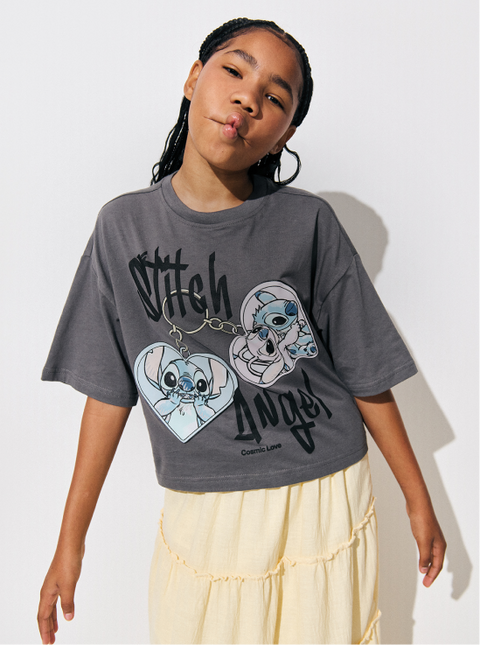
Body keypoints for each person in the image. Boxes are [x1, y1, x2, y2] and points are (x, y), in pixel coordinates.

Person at [37, 17, 446, 645]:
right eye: (233, 70)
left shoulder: (308, 222)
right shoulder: (123, 228)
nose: (248, 99)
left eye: (275, 98)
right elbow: (109, 391)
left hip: (322, 492)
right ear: (193, 78)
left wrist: (418, 498)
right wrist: (71, 543)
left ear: (286, 131)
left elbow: (365, 369)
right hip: (202, 502)